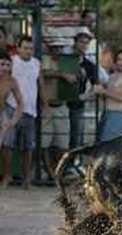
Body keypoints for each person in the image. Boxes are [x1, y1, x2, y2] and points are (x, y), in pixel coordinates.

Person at [5, 35, 47, 189]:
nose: (29, 51)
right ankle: (7, 176)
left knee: (28, 147)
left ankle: (26, 180)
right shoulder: (12, 61)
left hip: (30, 110)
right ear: (18, 48)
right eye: (25, 48)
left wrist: (46, 106)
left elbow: (41, 85)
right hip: (12, 107)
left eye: (31, 48)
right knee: (8, 145)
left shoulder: (36, 63)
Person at [42, 42, 72, 181]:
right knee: (44, 143)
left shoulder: (67, 62)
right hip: (46, 106)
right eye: (54, 46)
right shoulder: (43, 59)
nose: (57, 49)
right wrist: (61, 74)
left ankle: (57, 172)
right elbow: (43, 73)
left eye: (60, 46)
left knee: (63, 144)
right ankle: (50, 173)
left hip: (62, 106)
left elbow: (76, 77)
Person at [93, 49, 122, 143]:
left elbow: (121, 97)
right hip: (106, 113)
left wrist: (103, 91)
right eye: (119, 59)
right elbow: (106, 96)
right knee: (99, 143)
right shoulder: (111, 77)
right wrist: (99, 92)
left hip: (117, 115)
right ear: (115, 61)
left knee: (108, 145)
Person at [67, 32, 97, 150]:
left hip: (78, 105)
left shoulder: (89, 65)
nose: (84, 45)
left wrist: (84, 96)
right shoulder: (65, 60)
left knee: (76, 138)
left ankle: (72, 165)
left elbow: (96, 86)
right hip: (61, 104)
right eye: (81, 42)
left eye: (86, 43)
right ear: (75, 43)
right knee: (60, 139)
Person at [0, 51, 23, 188]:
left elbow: (20, 103)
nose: (5, 67)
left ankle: (7, 176)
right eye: (2, 64)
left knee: (6, 146)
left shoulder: (11, 81)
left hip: (3, 114)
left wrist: (13, 120)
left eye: (8, 65)